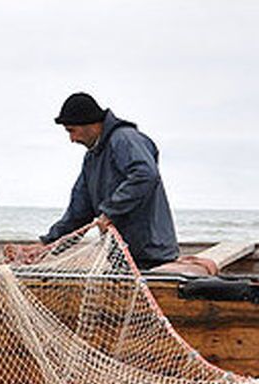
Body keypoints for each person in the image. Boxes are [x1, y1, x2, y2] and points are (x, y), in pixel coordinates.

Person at [41, 92, 178, 268]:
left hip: (152, 255)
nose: (72, 140)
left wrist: (110, 212)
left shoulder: (125, 139)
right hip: (121, 257)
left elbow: (145, 175)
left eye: (71, 131)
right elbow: (79, 212)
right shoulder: (91, 158)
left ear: (90, 124)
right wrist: (47, 245)